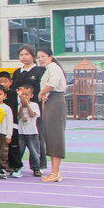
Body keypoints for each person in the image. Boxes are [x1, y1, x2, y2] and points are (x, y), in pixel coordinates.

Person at [11, 45, 47, 170]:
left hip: (34, 109)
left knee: (37, 137)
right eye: (21, 55)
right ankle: (15, 165)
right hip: (19, 110)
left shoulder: (40, 70)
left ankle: (39, 166)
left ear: (33, 56)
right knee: (18, 138)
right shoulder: (16, 72)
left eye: (27, 54)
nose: (24, 57)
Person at [37, 47, 67, 182]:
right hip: (51, 101)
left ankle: (55, 172)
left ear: (51, 56)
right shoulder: (49, 69)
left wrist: (41, 92)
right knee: (50, 135)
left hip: (56, 102)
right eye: (39, 57)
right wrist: (44, 95)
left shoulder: (54, 68)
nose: (41, 59)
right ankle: (55, 171)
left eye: (43, 56)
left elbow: (53, 84)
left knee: (55, 135)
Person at [16, 84, 42, 178]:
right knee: (19, 151)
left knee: (34, 151)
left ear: (31, 95)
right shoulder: (19, 105)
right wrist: (22, 106)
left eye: (27, 94)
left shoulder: (34, 105)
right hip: (21, 133)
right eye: (23, 95)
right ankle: (17, 167)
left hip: (32, 132)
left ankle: (36, 168)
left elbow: (32, 114)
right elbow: (19, 116)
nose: (25, 96)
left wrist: (27, 105)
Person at [0, 85, 14, 179]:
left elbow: (10, 122)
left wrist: (9, 135)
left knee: (2, 152)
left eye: (0, 94)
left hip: (3, 133)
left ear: (5, 96)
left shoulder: (7, 108)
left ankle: (2, 169)